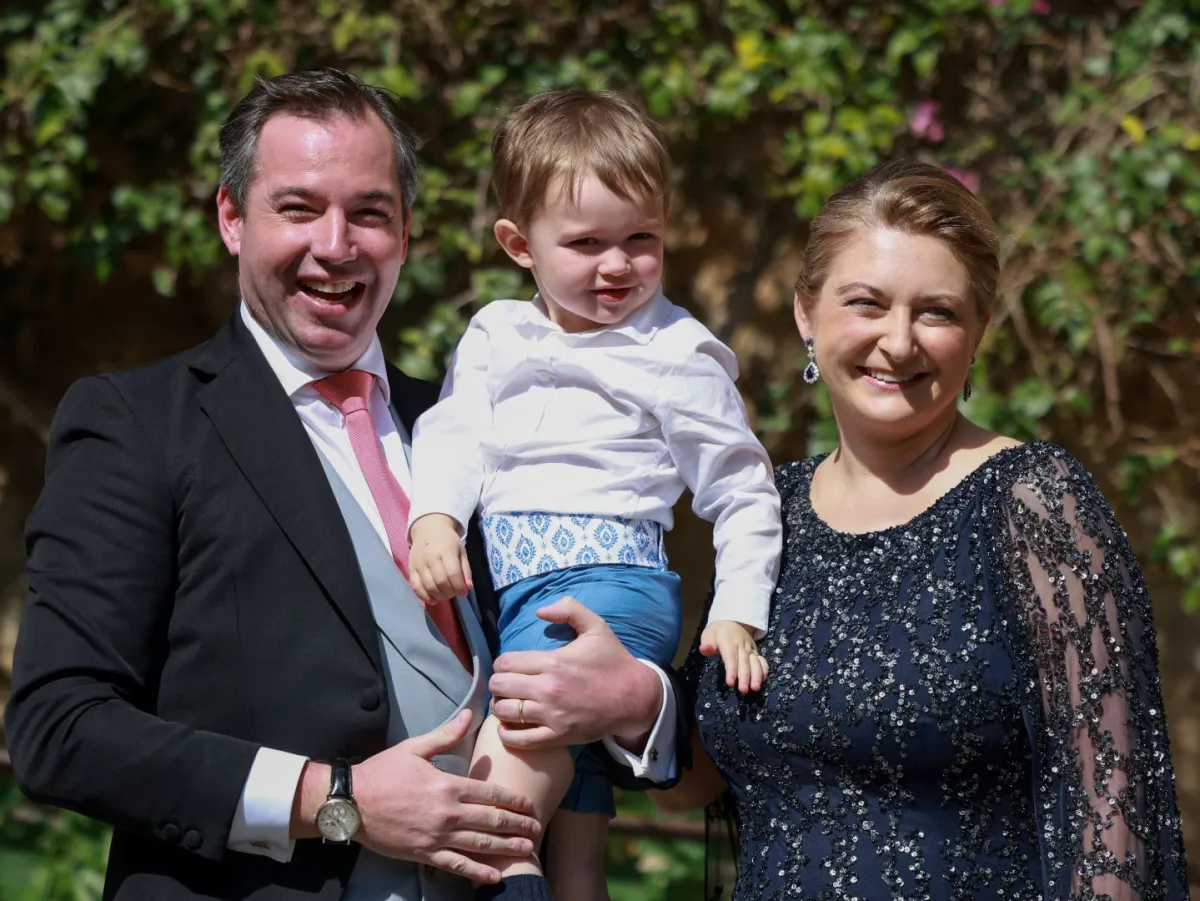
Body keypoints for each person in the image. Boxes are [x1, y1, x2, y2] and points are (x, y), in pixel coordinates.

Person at [3, 69, 682, 901]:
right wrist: (336, 801)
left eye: (369, 212)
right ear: (231, 218)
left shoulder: (478, 421)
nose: (336, 243)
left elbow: (613, 704)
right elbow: (59, 729)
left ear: (405, 233)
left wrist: (638, 703)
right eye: (298, 208)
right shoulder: (135, 424)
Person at [654, 160, 1191, 900]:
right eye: (866, 303)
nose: (898, 341)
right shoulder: (764, 510)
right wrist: (626, 695)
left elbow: (1114, 828)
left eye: (935, 311)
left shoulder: (1034, 503)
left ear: (978, 332)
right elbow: (685, 781)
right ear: (806, 314)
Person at [404, 89, 781, 900]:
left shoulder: (676, 351)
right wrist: (434, 514)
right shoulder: (496, 333)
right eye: (586, 243)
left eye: (641, 239)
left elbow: (745, 488)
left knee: (488, 815)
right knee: (575, 853)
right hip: (518, 599)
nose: (618, 265)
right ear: (519, 243)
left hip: (605, 591)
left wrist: (736, 610)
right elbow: (453, 431)